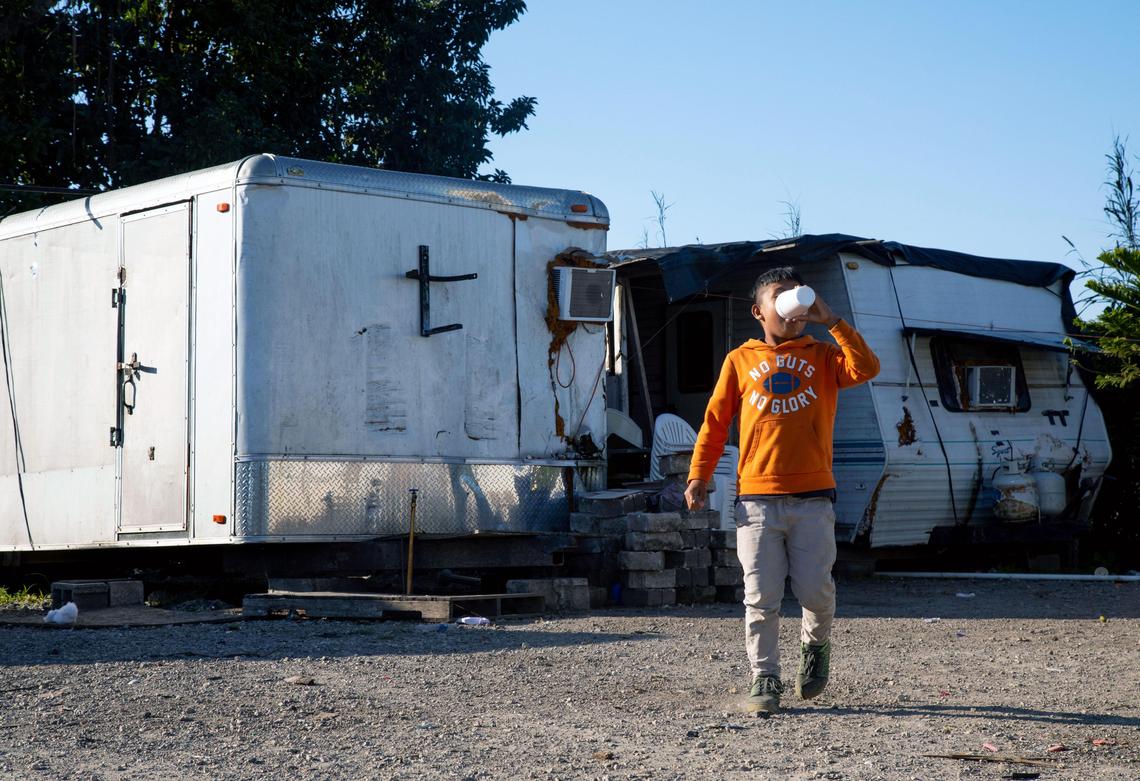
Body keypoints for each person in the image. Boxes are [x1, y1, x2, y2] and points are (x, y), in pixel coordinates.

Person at [684, 266, 879, 714]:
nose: (793, 305)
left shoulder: (823, 356)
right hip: (754, 500)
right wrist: (699, 475)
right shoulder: (739, 360)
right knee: (761, 596)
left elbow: (866, 368)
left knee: (816, 592)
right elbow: (715, 424)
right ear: (758, 311)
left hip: (813, 498)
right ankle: (764, 677)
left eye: (798, 296)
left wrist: (830, 319)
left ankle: (815, 648)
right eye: (781, 296)